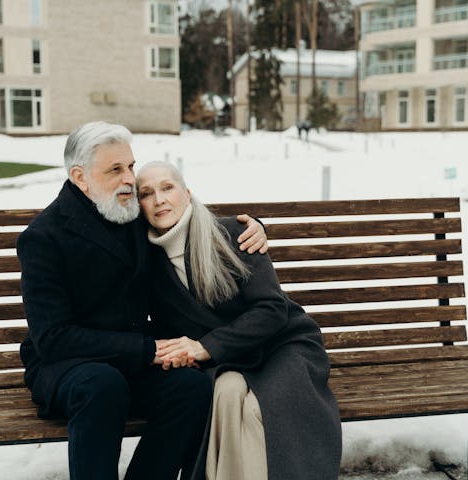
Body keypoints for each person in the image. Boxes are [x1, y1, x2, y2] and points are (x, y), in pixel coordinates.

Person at [16, 121, 268, 480]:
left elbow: (185, 216)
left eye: (131, 166)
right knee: (102, 385)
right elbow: (54, 338)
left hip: (129, 362)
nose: (129, 179)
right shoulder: (44, 238)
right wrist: (146, 350)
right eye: (115, 169)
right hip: (67, 365)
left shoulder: (128, 212)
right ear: (80, 177)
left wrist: (251, 226)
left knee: (192, 388)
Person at [137, 161, 343, 480]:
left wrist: (205, 347)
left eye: (167, 188)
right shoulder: (147, 262)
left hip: (280, 345)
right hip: (227, 361)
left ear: (187, 193)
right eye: (146, 193)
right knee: (227, 395)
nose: (159, 199)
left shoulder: (234, 233)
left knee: (259, 410)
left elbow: (272, 309)